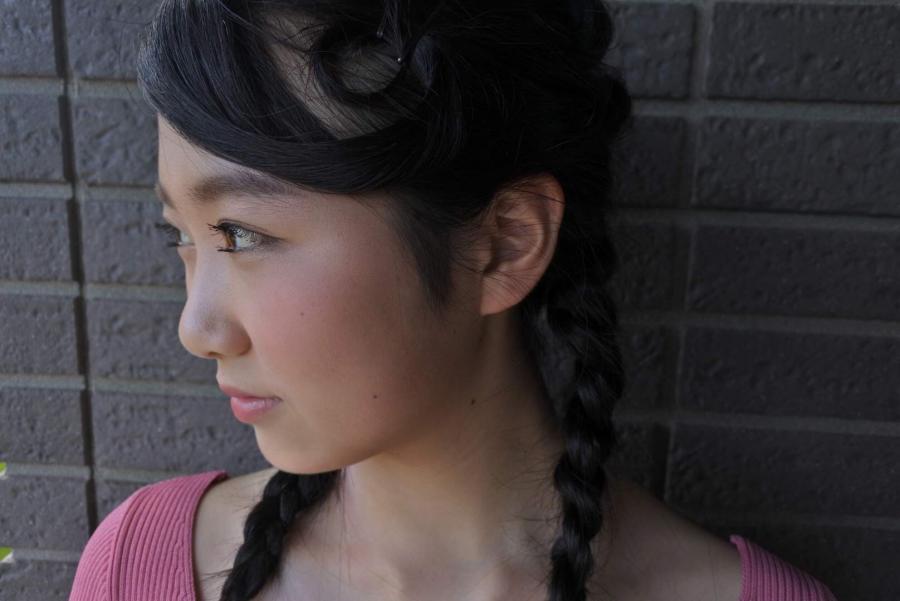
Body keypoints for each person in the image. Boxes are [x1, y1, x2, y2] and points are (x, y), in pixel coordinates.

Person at [69, 1, 839, 600]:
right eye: (182, 235)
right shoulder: (142, 566)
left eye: (240, 234)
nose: (197, 327)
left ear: (504, 243)